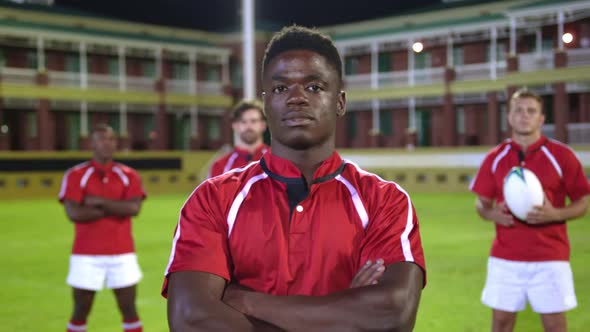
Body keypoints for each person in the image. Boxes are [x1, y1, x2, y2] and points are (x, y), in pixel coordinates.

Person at [163, 25, 426, 331]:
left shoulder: (385, 200)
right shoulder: (212, 199)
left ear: (340, 102)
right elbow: (190, 318)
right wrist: (345, 311)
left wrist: (246, 300)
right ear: (266, 103)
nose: (296, 98)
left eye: (314, 87)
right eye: (280, 88)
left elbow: (392, 314)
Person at [470, 88, 590, 332]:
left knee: (555, 325)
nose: (524, 115)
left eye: (531, 111)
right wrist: (492, 214)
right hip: (505, 257)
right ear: (509, 117)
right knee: (501, 323)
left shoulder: (562, 156)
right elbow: (481, 205)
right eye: (518, 110)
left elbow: (583, 203)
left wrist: (556, 214)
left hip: (550, 257)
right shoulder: (495, 157)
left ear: (541, 119)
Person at [59, 124, 147, 332]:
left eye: (110, 139)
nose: (106, 143)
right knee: (80, 309)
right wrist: (117, 208)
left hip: (122, 253)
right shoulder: (76, 174)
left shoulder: (129, 175)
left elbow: (134, 208)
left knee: (129, 309)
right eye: (101, 139)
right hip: (86, 254)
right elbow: (74, 213)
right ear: (91, 144)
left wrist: (96, 201)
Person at [208, 99, 268, 178]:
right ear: (235, 126)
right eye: (243, 121)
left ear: (263, 125)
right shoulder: (220, 166)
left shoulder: (277, 160)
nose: (248, 126)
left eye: (254, 121)